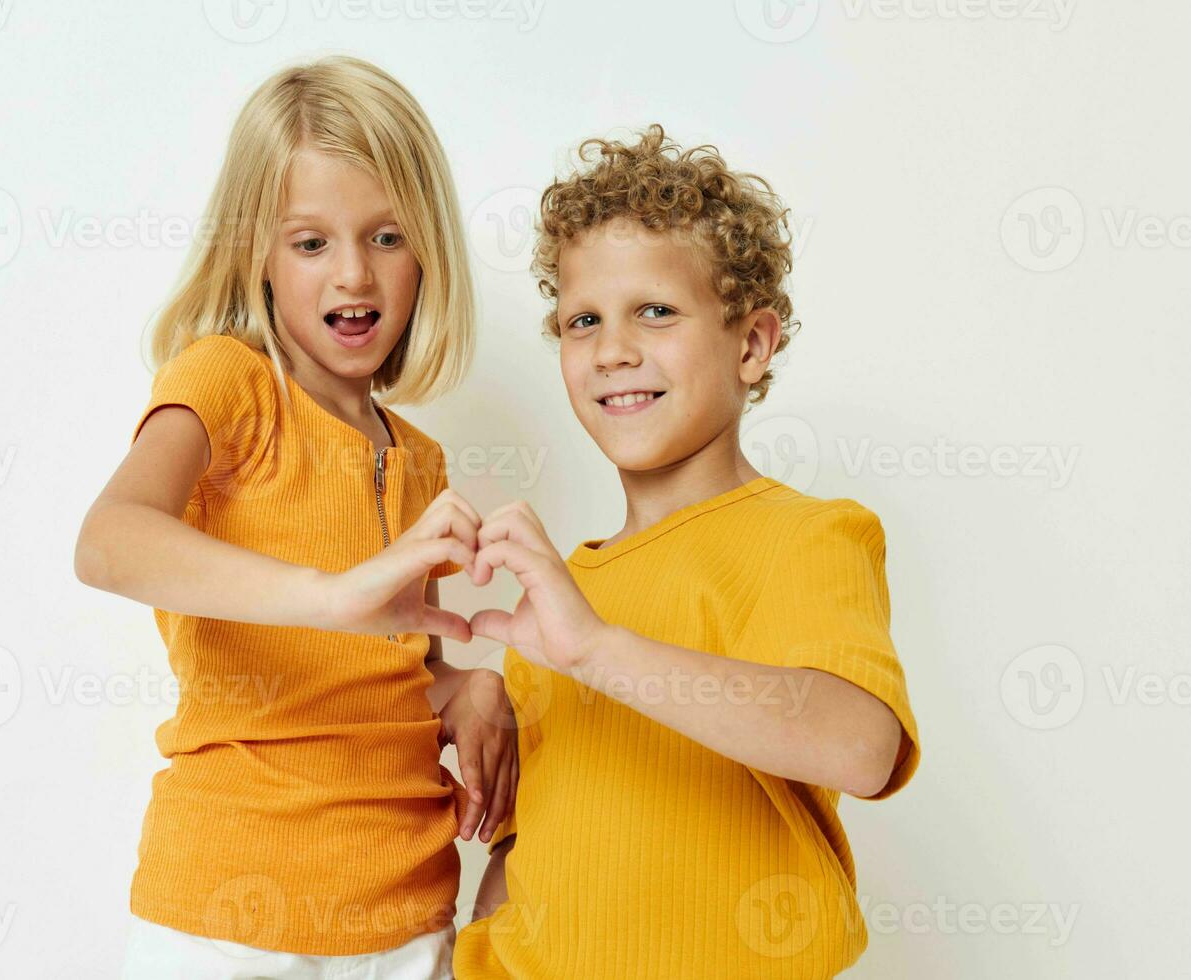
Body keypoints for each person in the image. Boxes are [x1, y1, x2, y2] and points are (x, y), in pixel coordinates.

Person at [74, 55, 514, 979]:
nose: (354, 275)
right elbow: (109, 540)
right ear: (256, 256)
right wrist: (333, 592)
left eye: (387, 237)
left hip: (405, 918)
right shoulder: (230, 384)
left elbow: (384, 670)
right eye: (310, 243)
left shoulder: (419, 458)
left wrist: (463, 689)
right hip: (226, 917)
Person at [452, 125, 922, 978]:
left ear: (751, 344)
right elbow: (527, 856)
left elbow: (861, 745)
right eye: (582, 320)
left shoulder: (808, 536)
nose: (613, 349)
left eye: (655, 312)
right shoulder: (560, 595)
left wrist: (596, 649)